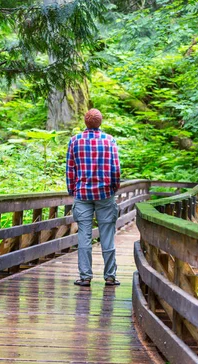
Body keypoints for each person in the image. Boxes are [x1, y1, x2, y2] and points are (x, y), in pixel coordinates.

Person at [66, 108, 121, 287]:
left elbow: (70, 169)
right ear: (100, 122)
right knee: (107, 234)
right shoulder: (109, 140)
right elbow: (116, 169)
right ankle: (110, 276)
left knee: (84, 235)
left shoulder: (74, 141)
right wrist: (114, 188)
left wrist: (72, 190)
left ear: (85, 122)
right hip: (105, 193)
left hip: (82, 194)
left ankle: (85, 276)